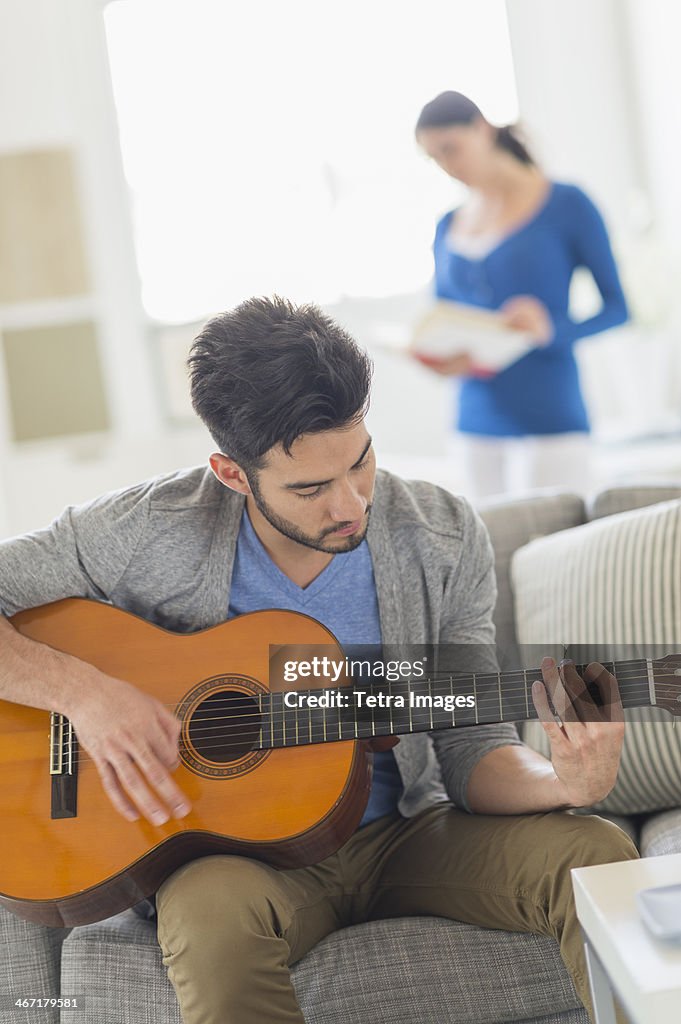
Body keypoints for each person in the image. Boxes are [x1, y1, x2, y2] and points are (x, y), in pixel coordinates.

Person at [0, 296, 635, 1024]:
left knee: (596, 852)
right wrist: (86, 697)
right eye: (309, 488)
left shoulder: (442, 534)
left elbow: (470, 743)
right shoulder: (147, 527)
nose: (351, 503)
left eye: (360, 462)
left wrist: (560, 780)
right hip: (237, 863)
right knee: (209, 921)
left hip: (407, 831)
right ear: (231, 474)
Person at [414, 90, 630, 499]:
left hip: (550, 415)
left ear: (483, 128)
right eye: (434, 158)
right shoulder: (447, 225)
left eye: (450, 149)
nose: (446, 166)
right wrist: (437, 356)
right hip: (473, 422)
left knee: (560, 552)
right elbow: (441, 312)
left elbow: (618, 308)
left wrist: (551, 329)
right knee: (487, 551)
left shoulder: (568, 204)